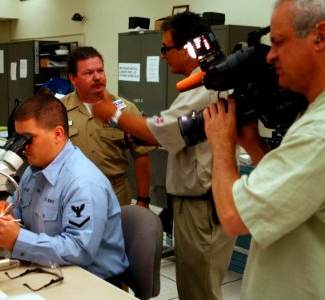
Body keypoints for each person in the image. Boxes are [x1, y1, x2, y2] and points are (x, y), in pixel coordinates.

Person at [93, 12, 236, 300]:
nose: (162, 56)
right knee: (193, 285)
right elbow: (172, 132)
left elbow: (159, 131)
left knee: (200, 290)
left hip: (202, 209)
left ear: (187, 48)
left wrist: (114, 114)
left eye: (165, 48)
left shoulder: (207, 88)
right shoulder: (198, 87)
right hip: (197, 205)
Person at [202, 0, 325, 299]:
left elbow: (234, 218)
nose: (271, 55)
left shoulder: (318, 132)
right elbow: (294, 193)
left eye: (279, 43)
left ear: (320, 36)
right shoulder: (312, 116)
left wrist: (220, 142)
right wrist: (253, 144)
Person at [0, 92, 129, 283]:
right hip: (49, 268)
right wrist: (8, 215)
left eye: (28, 139)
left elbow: (80, 251)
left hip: (92, 281)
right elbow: (18, 209)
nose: (23, 148)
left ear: (57, 134)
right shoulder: (34, 170)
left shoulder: (82, 183)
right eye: (18, 139)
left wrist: (18, 239)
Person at [61, 46, 153, 208]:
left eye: (100, 71)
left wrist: (143, 200)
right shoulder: (58, 110)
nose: (97, 77)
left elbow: (141, 156)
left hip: (115, 193)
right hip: (71, 192)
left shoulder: (125, 110)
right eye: (88, 73)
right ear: (72, 78)